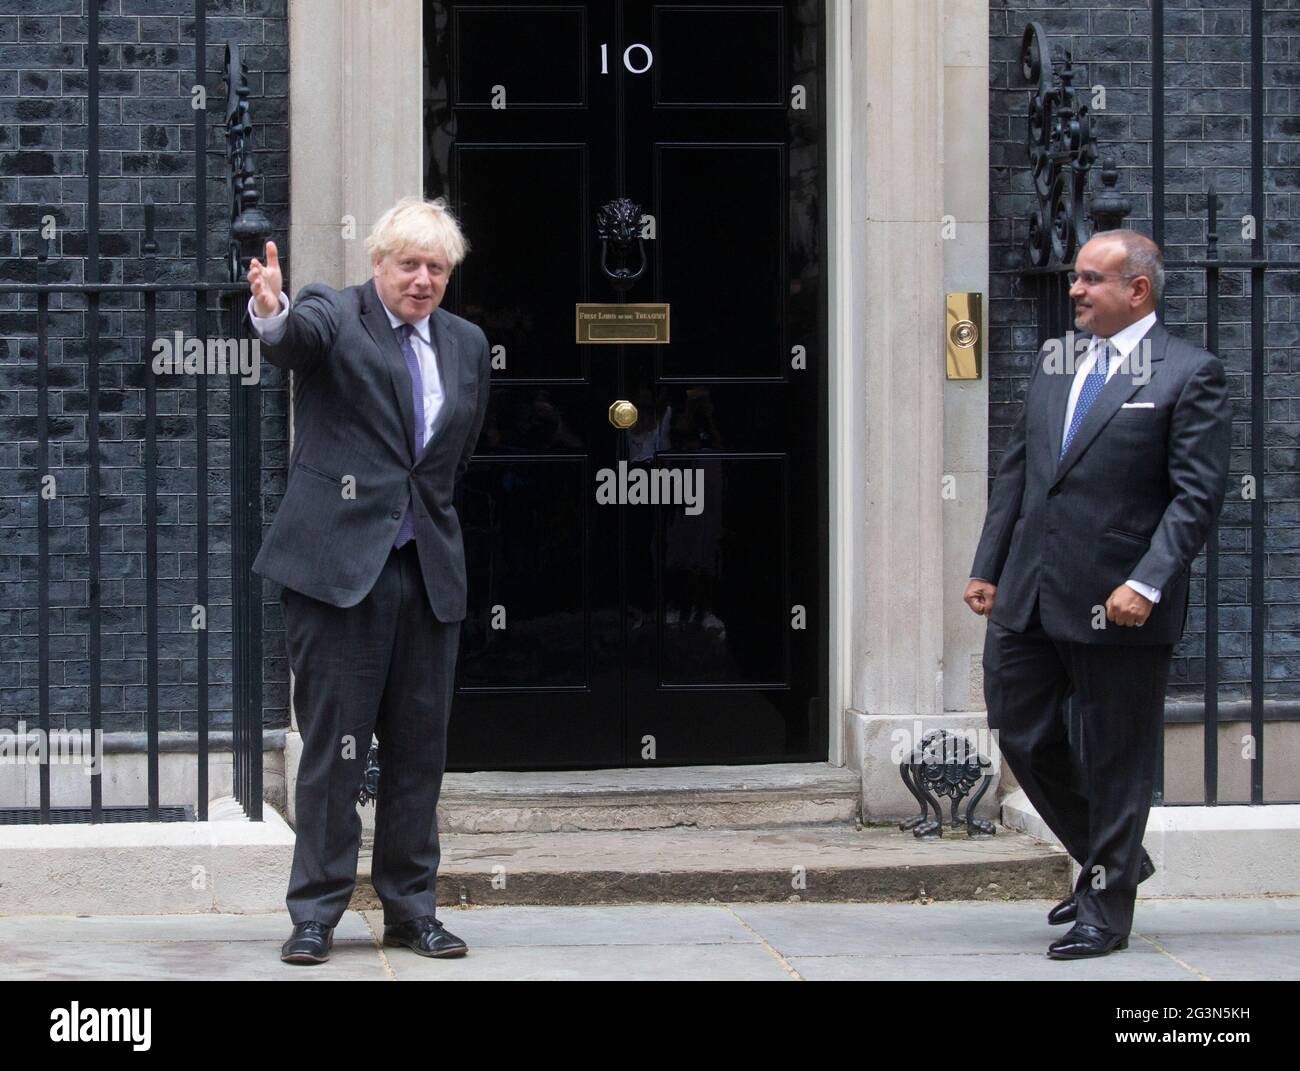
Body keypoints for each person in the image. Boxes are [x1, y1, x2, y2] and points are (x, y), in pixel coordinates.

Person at [964, 229, 1230, 959]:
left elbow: (1195, 498)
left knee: (1117, 755)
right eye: (1076, 279)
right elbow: (1018, 471)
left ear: (1136, 290)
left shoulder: (1189, 373)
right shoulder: (1057, 361)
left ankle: (1106, 907)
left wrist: (1145, 580)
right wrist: (988, 565)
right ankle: (1114, 856)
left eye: (1089, 280)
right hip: (1031, 590)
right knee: (1017, 723)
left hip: (1119, 599)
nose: (1074, 290)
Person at [245, 196, 491, 964]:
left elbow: (450, 458)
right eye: (409, 264)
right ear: (378, 263)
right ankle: (315, 912)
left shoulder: (466, 343)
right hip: (337, 576)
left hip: (426, 574)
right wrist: (272, 309)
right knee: (333, 753)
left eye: (437, 268)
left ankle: (412, 910)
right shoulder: (334, 314)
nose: (422, 280)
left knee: (420, 752)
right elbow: (292, 340)